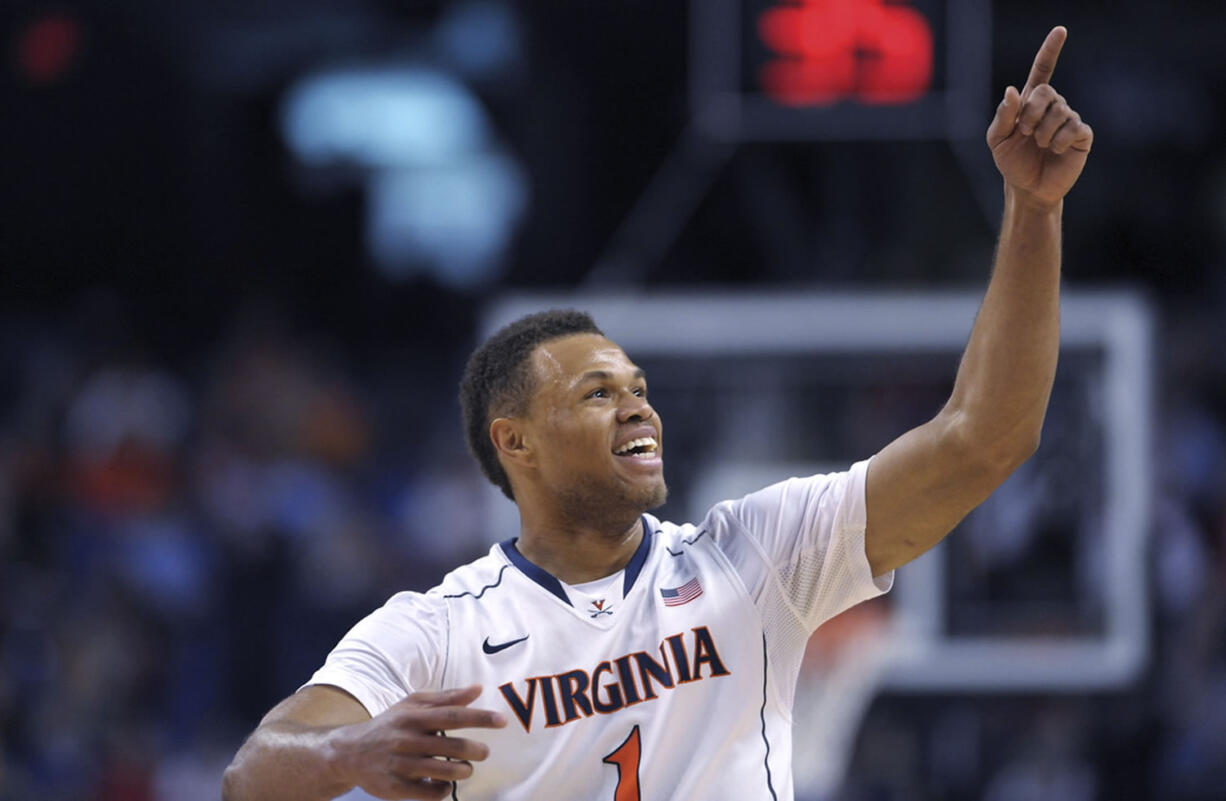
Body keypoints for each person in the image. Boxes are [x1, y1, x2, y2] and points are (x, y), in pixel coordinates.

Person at [222, 25, 1093, 801]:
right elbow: (254, 773)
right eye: (597, 393)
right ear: (514, 441)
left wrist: (1034, 210)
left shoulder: (758, 557)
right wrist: (351, 750)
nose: (637, 407)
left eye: (637, 387)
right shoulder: (441, 630)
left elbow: (986, 436)